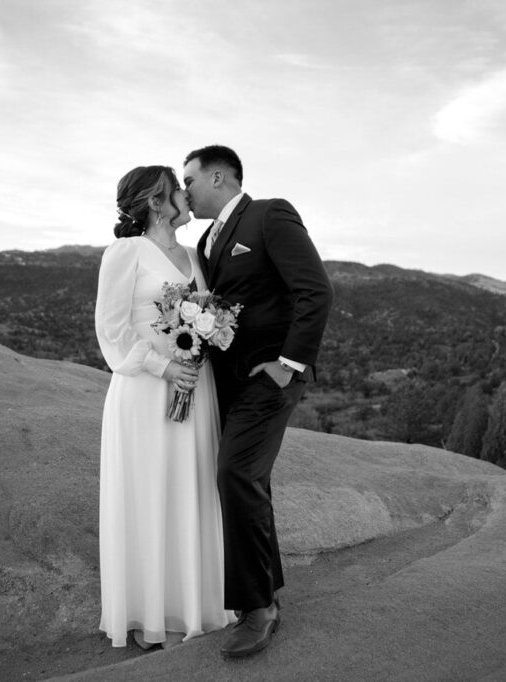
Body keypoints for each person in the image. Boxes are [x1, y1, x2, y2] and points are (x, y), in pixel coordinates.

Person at [183, 145, 333, 658]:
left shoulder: (270, 214)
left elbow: (315, 290)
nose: (185, 191)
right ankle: (268, 591)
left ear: (220, 177)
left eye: (191, 180)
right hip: (227, 383)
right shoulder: (205, 241)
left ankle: (257, 609)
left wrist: (287, 363)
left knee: (235, 473)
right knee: (251, 479)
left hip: (271, 378)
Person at [95, 165, 233, 650]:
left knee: (190, 487)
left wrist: (202, 346)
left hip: (196, 387)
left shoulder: (196, 255)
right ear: (157, 202)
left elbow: (207, 317)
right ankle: (149, 613)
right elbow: (111, 331)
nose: (185, 195)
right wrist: (163, 367)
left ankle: (191, 606)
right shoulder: (125, 252)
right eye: (177, 189)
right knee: (151, 489)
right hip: (146, 391)